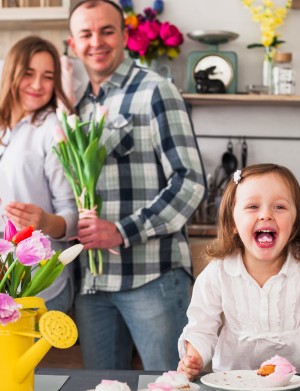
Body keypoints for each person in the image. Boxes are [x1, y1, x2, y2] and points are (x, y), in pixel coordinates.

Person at [67, 0, 207, 371]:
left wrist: (122, 232)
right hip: (94, 286)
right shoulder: (77, 109)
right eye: (86, 33)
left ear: (126, 35)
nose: (96, 41)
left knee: (170, 384)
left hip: (152, 277)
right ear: (72, 43)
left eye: (107, 30)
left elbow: (189, 182)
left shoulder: (155, 90)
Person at [177, 164, 300, 382]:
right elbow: (201, 327)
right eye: (253, 206)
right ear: (233, 222)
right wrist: (192, 358)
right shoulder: (218, 272)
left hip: (296, 383)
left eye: (279, 207)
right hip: (232, 383)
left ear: (295, 221)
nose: (266, 215)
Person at [0, 35, 78, 313]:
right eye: (29, 73)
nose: (38, 85)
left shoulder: (53, 131)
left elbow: (74, 215)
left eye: (48, 76)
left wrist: (44, 220)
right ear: (11, 74)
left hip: (40, 283)